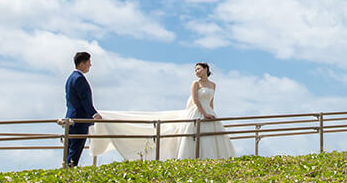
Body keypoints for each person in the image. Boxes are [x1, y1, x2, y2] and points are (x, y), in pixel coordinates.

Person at [88, 62, 236, 162]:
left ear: (206, 70)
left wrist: (212, 113)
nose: (196, 71)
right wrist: (204, 113)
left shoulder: (213, 85)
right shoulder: (195, 84)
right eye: (195, 69)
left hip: (209, 112)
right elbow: (196, 100)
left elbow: (211, 101)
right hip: (198, 112)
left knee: (213, 138)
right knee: (192, 136)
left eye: (199, 69)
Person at [64, 51, 101, 167]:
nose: (90, 65)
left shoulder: (70, 78)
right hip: (79, 119)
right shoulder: (79, 79)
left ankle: (65, 171)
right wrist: (94, 114)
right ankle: (68, 175)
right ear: (82, 64)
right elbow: (84, 99)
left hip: (71, 117)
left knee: (70, 149)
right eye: (89, 62)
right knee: (75, 150)